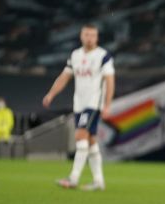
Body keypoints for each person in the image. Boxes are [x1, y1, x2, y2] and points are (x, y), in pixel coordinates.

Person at [42, 24, 114, 191]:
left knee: (80, 136)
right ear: (81, 36)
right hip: (79, 104)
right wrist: (51, 94)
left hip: (93, 104)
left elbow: (110, 80)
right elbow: (64, 77)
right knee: (90, 141)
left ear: (97, 37)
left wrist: (107, 104)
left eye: (92, 35)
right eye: (86, 34)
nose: (89, 38)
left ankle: (73, 178)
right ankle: (98, 181)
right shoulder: (75, 55)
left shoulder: (103, 56)